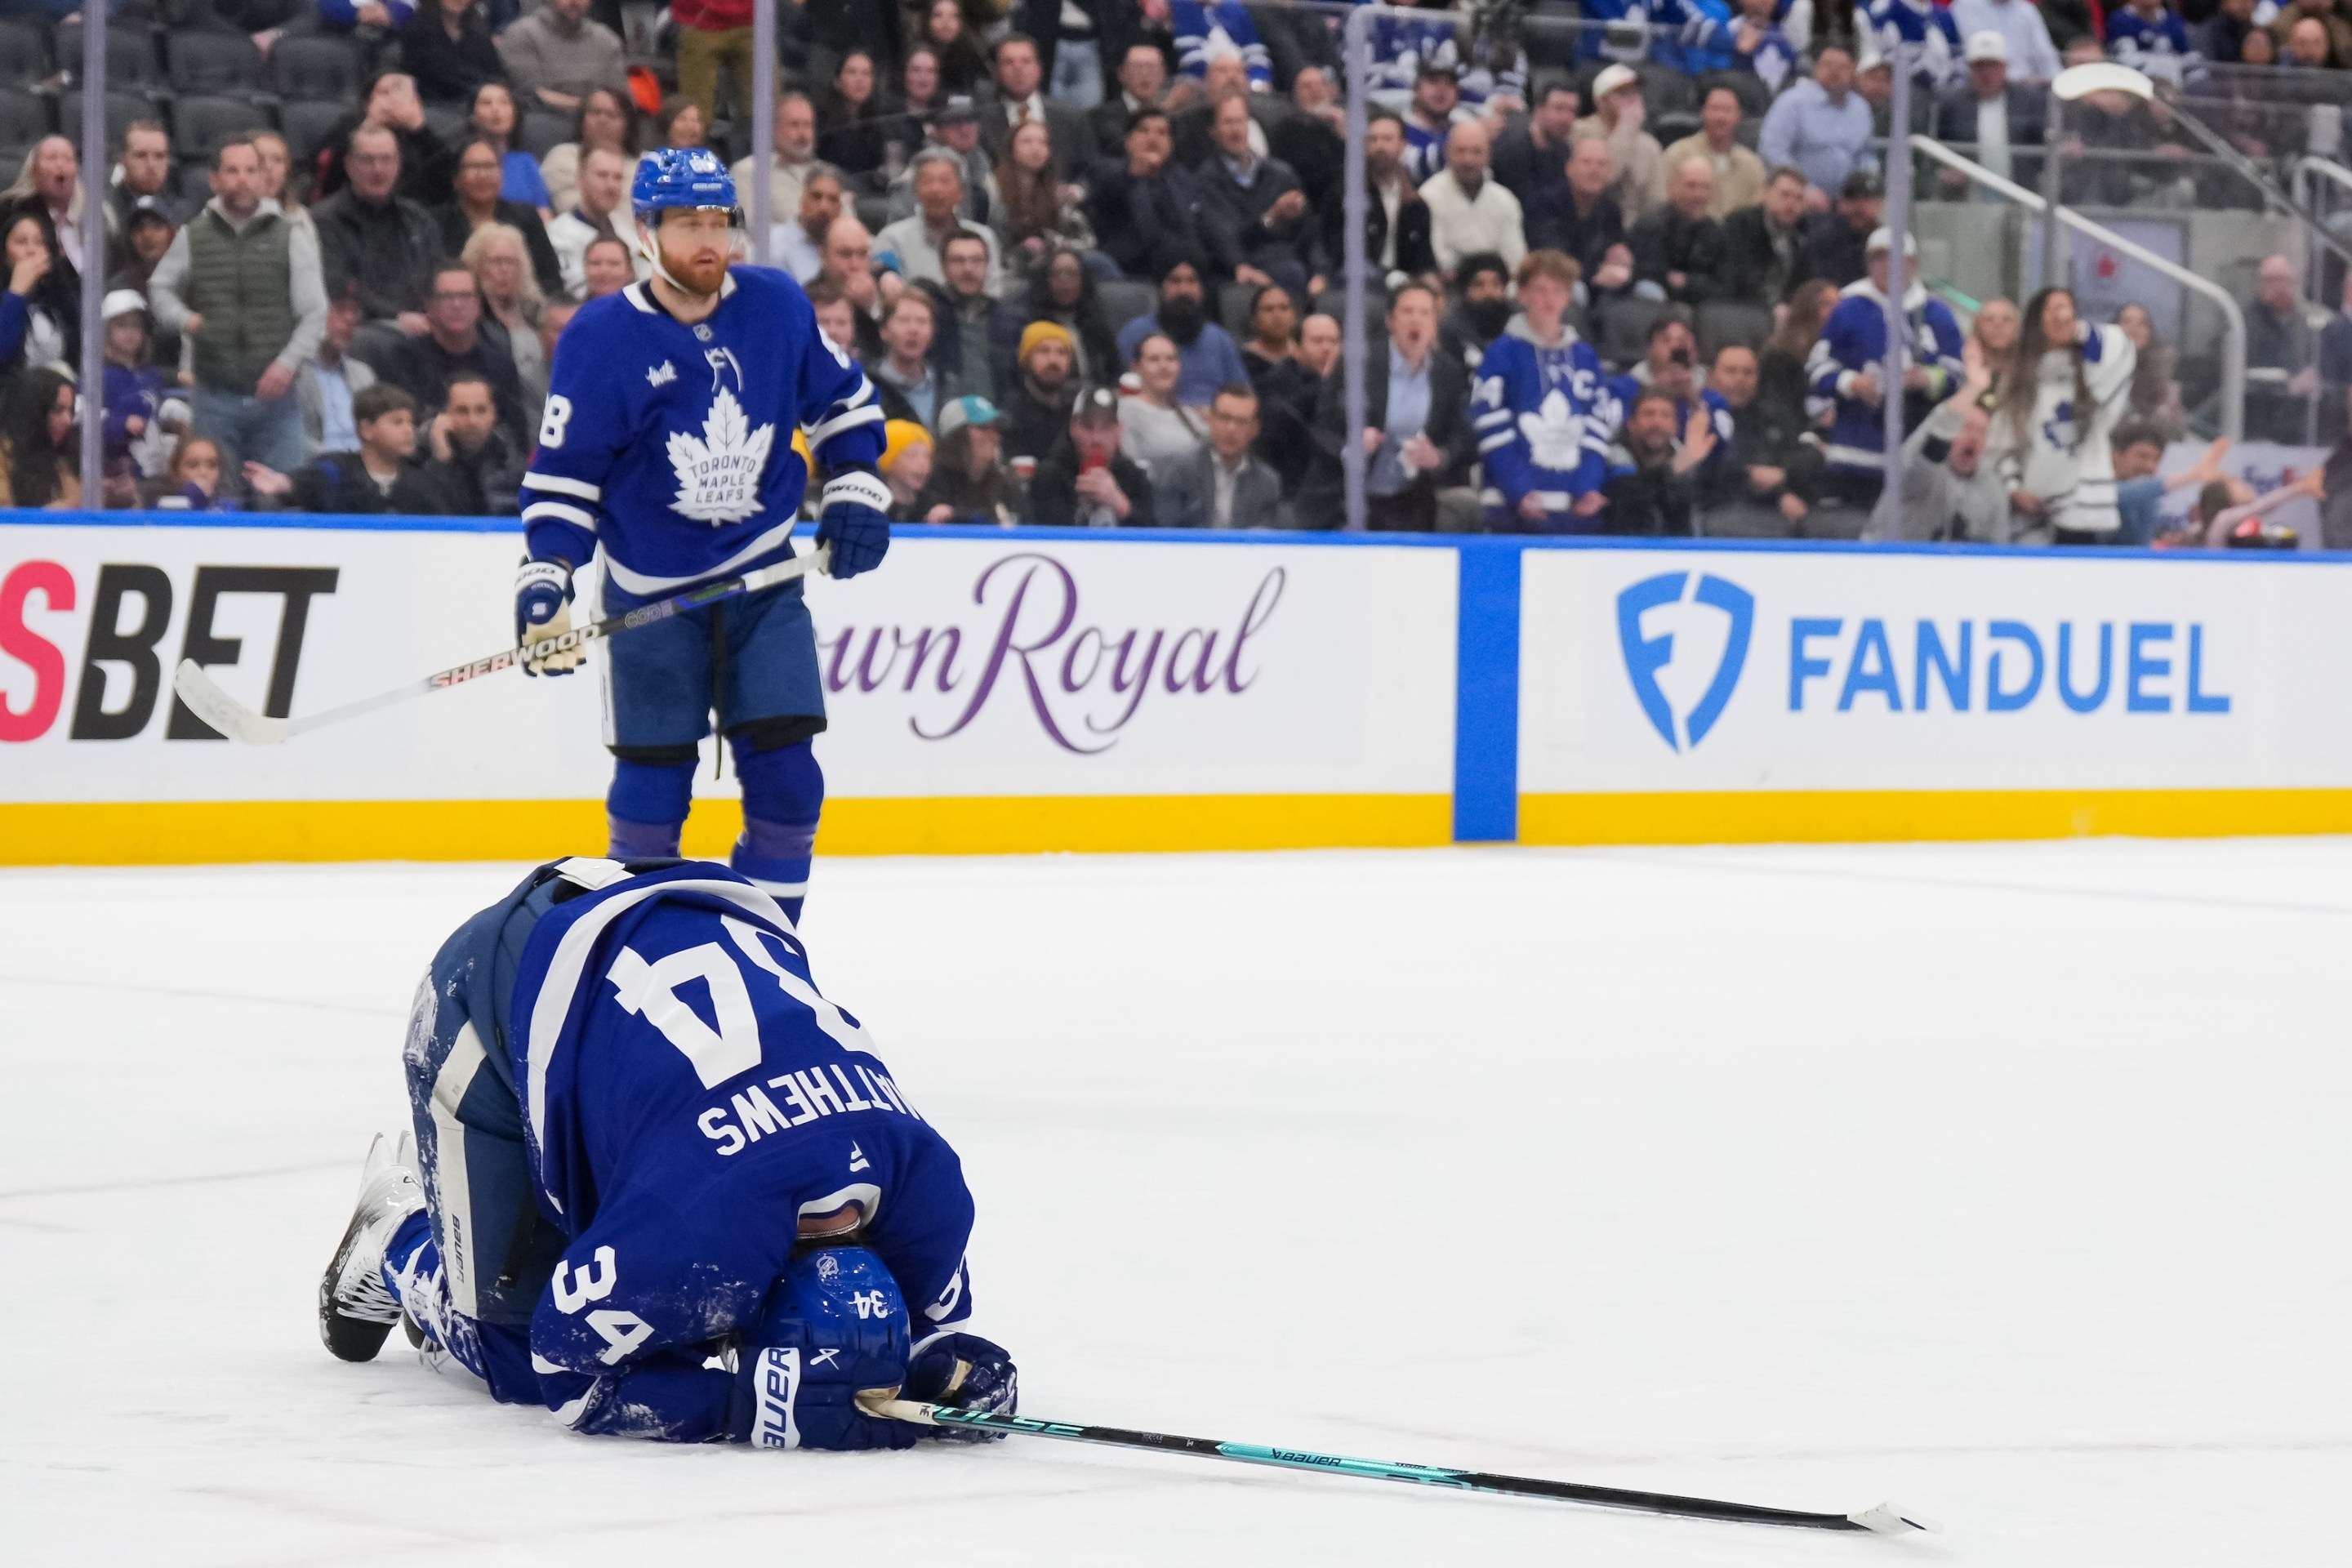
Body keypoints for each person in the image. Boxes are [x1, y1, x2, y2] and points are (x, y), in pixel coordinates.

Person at [315, 858, 1016, 1450]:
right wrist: (743, 1408)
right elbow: (564, 1368)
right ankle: (397, 1236)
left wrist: (941, 1368)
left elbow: (933, 1327)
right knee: (512, 1352)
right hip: (495, 988)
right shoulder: (693, 1236)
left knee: (651, 1329)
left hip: (670, 926)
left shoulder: (930, 1200)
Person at [510, 149, 893, 910]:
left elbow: (844, 402)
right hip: (652, 595)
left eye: (720, 222)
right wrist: (547, 575)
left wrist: (855, 482)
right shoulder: (600, 338)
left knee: (789, 781)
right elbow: (566, 479)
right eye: (688, 224)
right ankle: (646, 955)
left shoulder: (775, 304)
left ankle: (766, 949)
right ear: (645, 232)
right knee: (650, 801)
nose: (709, 241)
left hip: (762, 581)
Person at [146, 138, 328, 480]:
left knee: (282, 507)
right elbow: (159, 289)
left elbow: (315, 312)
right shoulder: (192, 235)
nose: (243, 179)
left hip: (279, 401)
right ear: (214, 180)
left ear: (262, 178)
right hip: (214, 397)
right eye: (232, 171)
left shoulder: (292, 236)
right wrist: (187, 320)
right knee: (215, 504)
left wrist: (287, 365)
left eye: (251, 170)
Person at [1807, 227, 1965, 506]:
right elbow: (1817, 368)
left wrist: (1926, 380)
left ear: (1913, 263)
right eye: (1879, 258)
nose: (1887, 265)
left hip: (1920, 454)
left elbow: (1958, 374)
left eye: (1896, 257)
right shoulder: (1847, 310)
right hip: (1855, 455)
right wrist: (1852, 383)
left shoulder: (1936, 314)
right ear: (1868, 264)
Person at [1298, 283, 1470, 531]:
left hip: (1411, 502)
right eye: (1407, 311)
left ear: (1435, 323)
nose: (1416, 320)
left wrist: (1438, 457)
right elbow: (1322, 426)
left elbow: (1462, 435)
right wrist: (1351, 447)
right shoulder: (1356, 364)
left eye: (1425, 313)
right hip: (1344, 497)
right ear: (1390, 320)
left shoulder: (1448, 372)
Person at [1472, 249, 1613, 532]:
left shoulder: (1585, 357)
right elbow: (1490, 426)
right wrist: (1519, 489)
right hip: (1511, 509)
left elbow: (1597, 425)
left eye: (1558, 290)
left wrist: (1587, 487)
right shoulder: (1502, 353)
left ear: (1568, 296)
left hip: (1574, 508)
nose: (1549, 299)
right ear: (1522, 295)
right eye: (1540, 290)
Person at [1995, 285, 2137, 542]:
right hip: (2031, 513)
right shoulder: (2018, 381)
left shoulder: (2091, 373)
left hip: (2082, 510)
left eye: (2066, 307)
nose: (2060, 316)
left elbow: (2122, 347)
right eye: (2051, 309)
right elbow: (2002, 444)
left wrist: (2079, 330)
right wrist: (2014, 489)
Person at [313, 123, 448, 368]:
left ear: (398, 164)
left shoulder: (418, 219)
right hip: (363, 324)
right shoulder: (324, 220)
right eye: (368, 160)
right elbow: (337, 286)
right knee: (381, 341)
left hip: (420, 322)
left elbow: (439, 275)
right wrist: (396, 317)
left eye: (387, 160)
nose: (378, 169)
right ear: (349, 166)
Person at [383, 262, 528, 448]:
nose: (457, 305)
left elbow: (517, 436)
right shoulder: (405, 358)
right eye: (447, 297)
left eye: (466, 296)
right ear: (429, 305)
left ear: (478, 305)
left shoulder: (500, 363)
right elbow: (402, 431)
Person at [1085, 109, 1239, 283]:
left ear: (1171, 145)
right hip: (1132, 270)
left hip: (1186, 270)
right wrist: (1131, 173)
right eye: (1144, 131)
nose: (1153, 139)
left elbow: (1213, 225)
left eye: (1162, 133)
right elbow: (1103, 185)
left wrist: (1236, 264)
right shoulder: (1107, 169)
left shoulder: (1186, 181)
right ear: (1128, 141)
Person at [244, 381, 444, 512]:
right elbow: (307, 483)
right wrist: (283, 482)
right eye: (397, 422)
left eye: (410, 422)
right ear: (366, 429)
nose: (409, 430)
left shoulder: (419, 484)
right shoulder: (335, 472)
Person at [1196, 90, 1314, 293]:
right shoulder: (1206, 180)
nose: (1236, 130)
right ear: (1213, 132)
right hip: (1240, 265)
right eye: (1228, 123)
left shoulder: (1280, 173)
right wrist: (1271, 218)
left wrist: (1320, 272)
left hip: (1288, 258)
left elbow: (1309, 229)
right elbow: (1225, 238)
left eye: (1241, 122)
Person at [435, 138, 565, 301]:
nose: (482, 175)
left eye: (490, 167)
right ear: (456, 180)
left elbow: (550, 278)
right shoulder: (437, 223)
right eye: (473, 167)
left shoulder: (526, 217)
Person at [1116, 251, 1250, 408]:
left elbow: (1243, 397)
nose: (1184, 290)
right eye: (1175, 281)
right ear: (1161, 287)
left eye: (1192, 281)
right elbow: (1124, 394)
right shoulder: (1134, 333)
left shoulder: (1220, 338)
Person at [1327, 109, 1438, 289]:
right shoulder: (1345, 194)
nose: (1379, 146)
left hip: (1403, 284)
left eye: (1387, 139)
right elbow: (1338, 253)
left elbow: (1423, 260)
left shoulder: (1415, 204)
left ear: (1402, 146)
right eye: (1373, 139)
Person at [1156, 381, 1288, 528]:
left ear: (1255, 429)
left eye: (1241, 421)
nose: (1231, 429)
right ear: (1210, 419)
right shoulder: (1180, 470)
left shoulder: (1267, 483)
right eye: (1224, 418)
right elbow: (1168, 529)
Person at [1760, 45, 1878, 207]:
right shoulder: (1792, 103)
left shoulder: (1861, 108)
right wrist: (1803, 189)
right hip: (1800, 200)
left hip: (1848, 202)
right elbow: (1772, 151)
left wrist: (1866, 187)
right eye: (1828, 65)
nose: (1834, 72)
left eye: (1842, 67)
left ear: (1853, 72)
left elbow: (1866, 155)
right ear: (1816, 68)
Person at [1933, 33, 2046, 199]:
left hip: (2020, 197)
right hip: (1968, 200)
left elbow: (2040, 143)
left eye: (1993, 65)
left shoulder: (2028, 101)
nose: (1986, 72)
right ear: (1970, 68)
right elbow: (1939, 145)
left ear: (2004, 67)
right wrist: (1946, 170)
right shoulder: (1952, 104)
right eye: (1980, 66)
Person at [878, 149, 1005, 292]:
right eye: (927, 181)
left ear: (961, 192)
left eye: (945, 181)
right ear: (915, 192)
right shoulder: (892, 238)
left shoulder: (983, 236)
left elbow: (993, 293)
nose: (936, 189)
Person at [1030, 381, 1155, 525]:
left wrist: (1121, 505)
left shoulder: (1134, 477)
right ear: (1073, 428)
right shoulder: (1051, 476)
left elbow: (1156, 538)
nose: (1096, 438)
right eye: (1088, 427)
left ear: (1118, 431)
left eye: (1106, 427)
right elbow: (1046, 535)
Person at [98, 291, 185, 497]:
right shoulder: (97, 377)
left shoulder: (150, 375)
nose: (130, 333)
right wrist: (121, 424)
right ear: (105, 331)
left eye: (136, 326)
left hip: (151, 469)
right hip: (114, 472)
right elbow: (84, 421)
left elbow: (154, 410)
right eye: (121, 326)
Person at [1526, 136, 1633, 301]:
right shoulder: (1545, 203)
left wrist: (1622, 260)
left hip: (1601, 284)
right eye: (1586, 162)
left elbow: (1616, 250)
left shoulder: (1612, 210)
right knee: (1577, 290)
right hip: (1554, 281)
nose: (1594, 170)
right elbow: (1554, 258)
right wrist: (1595, 274)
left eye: (1601, 164)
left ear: (1609, 173)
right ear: (1569, 168)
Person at [979, 33, 1101, 180]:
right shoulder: (980, 121)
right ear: (996, 73)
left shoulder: (1072, 119)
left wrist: (1077, 192)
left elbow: (1091, 171)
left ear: (1039, 69)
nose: (1018, 69)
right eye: (1009, 63)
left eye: (1026, 61)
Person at [462, 223, 549, 426]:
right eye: (496, 261)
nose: (504, 270)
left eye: (511, 262)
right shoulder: (470, 325)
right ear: (477, 266)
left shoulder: (537, 315)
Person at [992, 122, 1099, 283]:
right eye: (1027, 142)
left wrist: (1052, 243)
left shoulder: (1058, 193)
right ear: (1011, 148)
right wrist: (1023, 250)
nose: (1036, 148)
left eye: (1043, 143)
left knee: (1098, 263)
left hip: (1052, 267)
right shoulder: (992, 189)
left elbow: (1088, 241)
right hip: (1007, 268)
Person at [924, 232, 1024, 404]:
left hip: (1000, 421)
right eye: (958, 261)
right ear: (943, 267)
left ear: (987, 267)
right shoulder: (931, 315)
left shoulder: (1010, 319)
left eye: (976, 261)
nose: (968, 269)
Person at [317, 72, 448, 203]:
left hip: (409, 213)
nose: (393, 101)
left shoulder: (424, 138)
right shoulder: (348, 127)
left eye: (400, 93)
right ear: (366, 103)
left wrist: (419, 129)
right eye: (385, 93)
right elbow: (329, 178)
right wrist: (371, 124)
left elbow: (448, 184)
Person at [1419, 118, 1525, 280]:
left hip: (1497, 289)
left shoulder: (1506, 201)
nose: (1468, 160)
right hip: (1449, 288)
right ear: (1447, 153)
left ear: (1488, 155)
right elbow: (1438, 259)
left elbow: (1515, 260)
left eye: (1477, 152)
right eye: (1461, 151)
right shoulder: (1428, 196)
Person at [1602, 388, 1717, 535]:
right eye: (1649, 414)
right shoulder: (1612, 457)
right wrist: (1675, 468)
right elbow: (1630, 503)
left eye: (1666, 415)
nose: (1657, 422)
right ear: (1631, 424)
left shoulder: (1688, 458)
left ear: (1676, 426)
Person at [417, 368, 523, 514]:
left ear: (493, 414)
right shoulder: (419, 456)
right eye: (462, 411)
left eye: (481, 410)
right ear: (445, 414)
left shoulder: (510, 461)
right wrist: (441, 460)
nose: (472, 421)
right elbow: (430, 514)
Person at [497, 0, 629, 117]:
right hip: (542, 120)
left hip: (598, 123)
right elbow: (531, 95)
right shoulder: (521, 34)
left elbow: (619, 98)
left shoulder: (608, 41)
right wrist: (588, 107)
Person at [548, 148, 647, 301]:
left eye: (618, 178)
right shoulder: (555, 235)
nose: (611, 186)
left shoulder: (630, 234)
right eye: (602, 175)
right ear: (580, 180)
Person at [1575, 65, 1668, 224]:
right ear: (1600, 101)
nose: (1631, 99)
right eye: (1622, 93)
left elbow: (1657, 203)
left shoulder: (1650, 145)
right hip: (1589, 225)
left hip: (1636, 233)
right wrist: (1626, 127)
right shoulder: (1579, 132)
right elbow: (1605, 177)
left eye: (1635, 92)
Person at [1630, 155, 1726, 307]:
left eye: (1705, 187)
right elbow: (1650, 275)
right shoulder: (1651, 225)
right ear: (1672, 187)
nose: (1699, 195)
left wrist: (1687, 282)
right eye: (1691, 186)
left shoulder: (1716, 232)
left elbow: (1723, 284)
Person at [911, 394, 1018, 523]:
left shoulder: (1002, 482)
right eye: (983, 428)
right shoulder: (931, 481)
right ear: (957, 437)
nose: (995, 437)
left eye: (995, 429)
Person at [1664, 87, 1768, 220]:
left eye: (1727, 110)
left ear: (1738, 116)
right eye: (1715, 109)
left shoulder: (1752, 165)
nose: (1721, 117)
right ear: (1703, 113)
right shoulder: (1677, 155)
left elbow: (1758, 211)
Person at [2247, 253, 2318, 443]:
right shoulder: (2243, 325)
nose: (2279, 287)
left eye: (2284, 280)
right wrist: (2288, 386)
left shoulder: (2305, 324)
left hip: (2298, 429)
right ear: (2259, 285)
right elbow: (2237, 378)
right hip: (2256, 428)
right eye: (2271, 280)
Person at [1719, 164, 1815, 307]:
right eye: (1785, 195)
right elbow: (1739, 276)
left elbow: (1806, 280)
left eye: (1798, 198)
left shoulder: (1803, 234)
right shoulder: (1741, 224)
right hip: (1743, 308)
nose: (1791, 204)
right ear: (1766, 193)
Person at [298, 292, 378, 459]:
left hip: (364, 469)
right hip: (315, 470)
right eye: (339, 309)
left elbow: (376, 430)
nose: (350, 319)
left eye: (355, 311)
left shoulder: (364, 374)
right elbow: (291, 439)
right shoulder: (291, 375)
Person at [1024, 247, 1120, 383]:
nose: (1064, 280)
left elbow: (1114, 371)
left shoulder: (1096, 324)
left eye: (1072, 273)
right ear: (1046, 280)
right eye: (1057, 273)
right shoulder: (1031, 325)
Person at [541, 87, 639, 219]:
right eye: (595, 112)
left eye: (612, 115)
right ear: (582, 120)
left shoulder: (648, 164)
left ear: (628, 124)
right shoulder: (561, 156)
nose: (602, 120)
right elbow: (570, 208)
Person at [1120, 332, 1207, 476]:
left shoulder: (1189, 414)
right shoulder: (1126, 410)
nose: (1164, 366)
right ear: (1136, 367)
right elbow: (1131, 469)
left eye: (1171, 359)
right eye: (1154, 360)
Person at [0, 209, 74, 378]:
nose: (31, 250)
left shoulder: (63, 298)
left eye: (40, 242)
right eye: (21, 242)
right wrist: (16, 293)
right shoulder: (8, 298)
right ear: (5, 254)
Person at [462, 82, 555, 212]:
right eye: (486, 103)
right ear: (472, 117)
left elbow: (544, 215)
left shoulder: (526, 162)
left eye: (504, 102)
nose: (496, 109)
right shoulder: (463, 163)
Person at [1492, 81, 1580, 212]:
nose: (1566, 118)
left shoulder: (1565, 152)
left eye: (1572, 111)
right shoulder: (1510, 150)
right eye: (1559, 108)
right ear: (1539, 110)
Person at [999, 319, 1080, 460]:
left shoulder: (1078, 409)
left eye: (1062, 352)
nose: (1053, 360)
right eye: (1044, 351)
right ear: (1026, 359)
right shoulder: (1010, 411)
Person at [0, 365, 79, 508]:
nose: (68, 420)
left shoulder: (66, 459)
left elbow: (82, 504)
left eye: (70, 410)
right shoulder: (4, 456)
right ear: (34, 411)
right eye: (58, 410)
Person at [671, 0, 754, 128]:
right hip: (699, 19)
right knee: (696, 114)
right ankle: (694, 144)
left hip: (752, 20)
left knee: (768, 110)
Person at [106, 122, 178, 265]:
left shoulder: (181, 212)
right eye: (141, 156)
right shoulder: (105, 212)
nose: (151, 165)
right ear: (122, 161)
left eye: (159, 156)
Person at [403, 0, 502, 105]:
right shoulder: (418, 28)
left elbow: (495, 71)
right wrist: (481, 87)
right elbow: (438, 72)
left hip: (476, 102)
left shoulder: (478, 27)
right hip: (434, 103)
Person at [2115, 301, 2187, 442]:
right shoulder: (2096, 372)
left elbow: (2176, 430)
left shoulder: (2164, 379)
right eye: (2127, 322)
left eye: (2142, 323)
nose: (2134, 329)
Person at [815, 54, 893, 182]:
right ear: (837, 82)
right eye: (852, 72)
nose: (860, 79)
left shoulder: (878, 121)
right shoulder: (822, 120)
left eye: (866, 73)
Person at [1953, 0, 2063, 82]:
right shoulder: (1966, 6)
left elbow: (2047, 58)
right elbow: (1976, 57)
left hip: (2028, 91)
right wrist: (2018, 80)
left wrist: (2056, 83)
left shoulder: (2027, 11)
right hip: (1982, 86)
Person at [1806, 169, 1882, 289]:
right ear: (1841, 202)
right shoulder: (1823, 238)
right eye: (1852, 198)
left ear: (1879, 204)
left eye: (1867, 199)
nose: (1859, 206)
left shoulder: (1884, 241)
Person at [1438, 255, 1513, 372]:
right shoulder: (1450, 328)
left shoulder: (1519, 321)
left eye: (1496, 284)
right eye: (1479, 285)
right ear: (1465, 290)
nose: (1489, 292)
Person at [1092, 42, 1169, 153]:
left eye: (1151, 67)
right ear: (1122, 73)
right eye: (1137, 67)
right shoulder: (1100, 118)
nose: (1145, 73)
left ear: (1163, 73)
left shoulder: (1172, 119)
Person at [2106, 0, 2195, 74]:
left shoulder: (2173, 20)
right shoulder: (2120, 19)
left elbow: (2185, 55)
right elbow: (2125, 60)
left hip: (2174, 85)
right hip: (2136, 80)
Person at [145, 434, 230, 510]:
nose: (203, 473)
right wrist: (194, 494)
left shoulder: (227, 509)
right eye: (193, 465)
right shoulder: (164, 507)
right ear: (175, 471)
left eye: (212, 465)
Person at [879, 418, 936, 519]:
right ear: (888, 460)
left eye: (927, 456)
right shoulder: (873, 506)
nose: (922, 463)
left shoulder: (933, 505)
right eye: (911, 455)